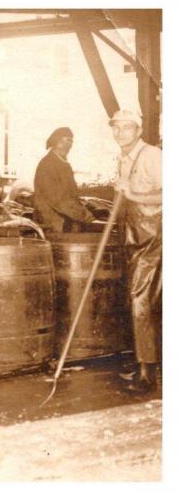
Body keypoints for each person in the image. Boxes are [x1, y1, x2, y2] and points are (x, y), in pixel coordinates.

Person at [110, 110, 162, 394]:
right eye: (116, 128)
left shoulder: (152, 156)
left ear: (139, 130)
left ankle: (147, 373)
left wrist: (134, 195)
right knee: (138, 300)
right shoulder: (123, 158)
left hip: (156, 237)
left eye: (127, 127)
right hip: (137, 237)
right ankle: (145, 362)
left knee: (140, 299)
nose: (120, 133)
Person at [32, 127, 94, 233]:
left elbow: (71, 193)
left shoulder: (64, 164)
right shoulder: (47, 165)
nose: (70, 145)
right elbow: (56, 198)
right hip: (53, 221)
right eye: (68, 141)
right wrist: (83, 215)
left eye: (71, 141)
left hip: (66, 216)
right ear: (58, 143)